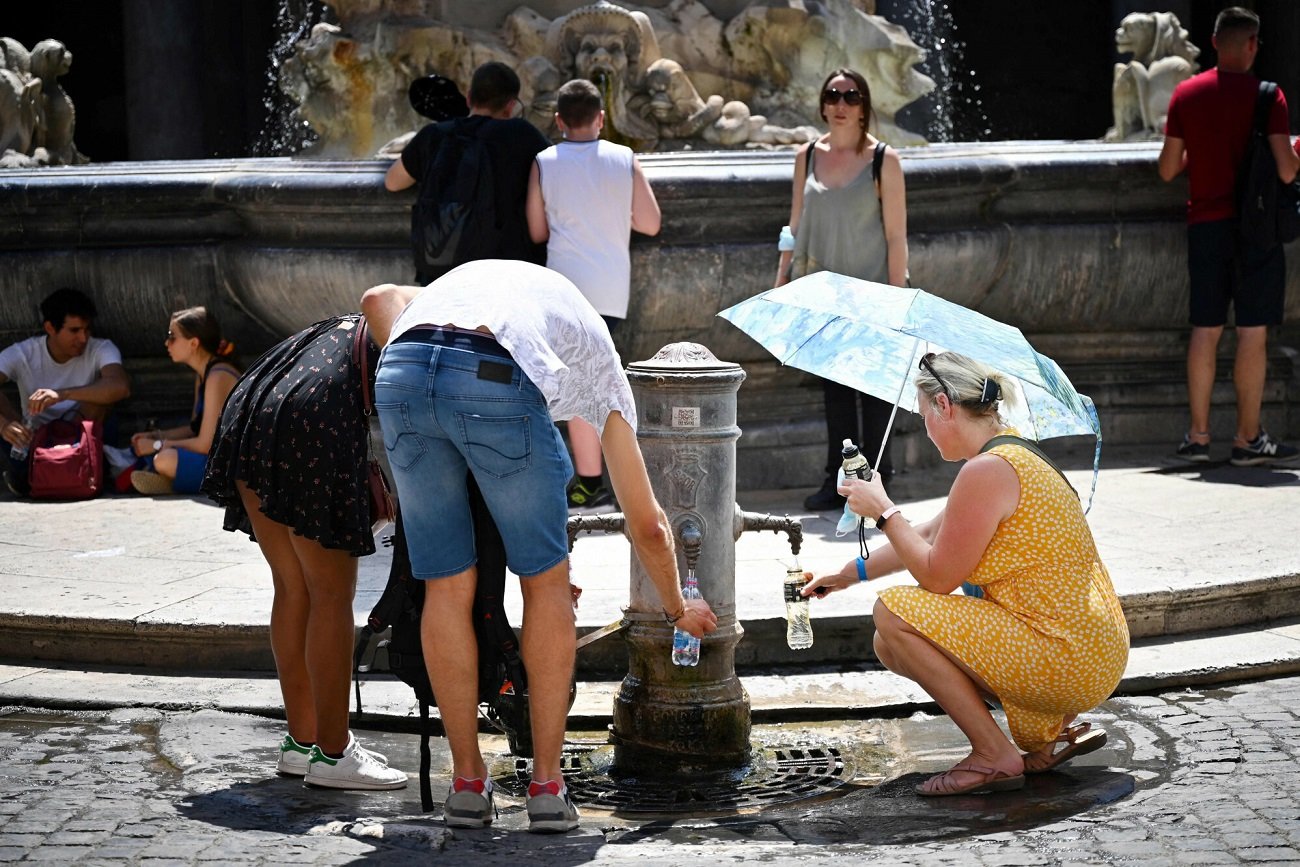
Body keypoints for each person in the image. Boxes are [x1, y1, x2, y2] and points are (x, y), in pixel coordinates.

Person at [361, 261, 718, 833]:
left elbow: (377, 297)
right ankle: (548, 788)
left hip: (400, 372)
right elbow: (647, 523)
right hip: (492, 372)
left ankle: (469, 786)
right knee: (546, 584)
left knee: (445, 586)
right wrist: (679, 608)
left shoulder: (468, 285)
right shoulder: (598, 353)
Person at [802, 351, 1129, 797]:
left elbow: (936, 577)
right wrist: (846, 573)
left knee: (893, 614)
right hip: (1091, 650)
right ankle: (1047, 736)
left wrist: (882, 510)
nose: (925, 427)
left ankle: (994, 755)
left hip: (1066, 655)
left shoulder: (987, 470)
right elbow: (932, 533)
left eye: (923, 415)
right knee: (890, 643)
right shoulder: (1010, 451)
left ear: (945, 407)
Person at [201, 314, 407, 791]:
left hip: (251, 411)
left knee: (293, 587)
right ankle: (334, 754)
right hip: (311, 422)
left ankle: (302, 742)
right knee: (331, 596)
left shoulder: (351, 320)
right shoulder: (438, 324)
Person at [1158, 7, 1300, 467]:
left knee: (1206, 329)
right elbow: (1285, 169)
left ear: (1215, 42)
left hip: (1206, 226)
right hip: (1257, 230)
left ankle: (1198, 437)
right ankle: (1247, 439)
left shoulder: (1186, 94)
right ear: (1254, 44)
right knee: (1252, 334)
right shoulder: (1269, 96)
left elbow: (1166, 169)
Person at [774, 68, 909, 511]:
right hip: (820, 294)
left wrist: (897, 300)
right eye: (832, 96)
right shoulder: (806, 155)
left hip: (871, 294)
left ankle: (877, 483)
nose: (840, 104)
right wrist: (781, 282)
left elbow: (896, 237)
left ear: (864, 105)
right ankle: (839, 484)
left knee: (872, 395)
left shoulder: (883, 160)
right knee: (834, 395)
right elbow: (793, 226)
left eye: (851, 96)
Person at [525, 78, 662, 510]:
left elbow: (536, 231)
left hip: (563, 290)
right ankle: (624, 481)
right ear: (602, 118)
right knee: (607, 384)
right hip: (609, 289)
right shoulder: (624, 158)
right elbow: (651, 223)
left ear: (559, 120)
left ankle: (588, 480)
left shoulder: (545, 161)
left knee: (574, 387)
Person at [385, 61, 550, 283]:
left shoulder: (433, 135)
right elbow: (558, 172)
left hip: (440, 273)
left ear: (469, 97)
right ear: (511, 106)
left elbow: (392, 183)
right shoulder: (522, 135)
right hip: (501, 272)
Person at [0, 288, 130, 495]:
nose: (83, 338)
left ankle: (82, 468)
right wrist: (4, 425)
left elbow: (120, 387)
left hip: (82, 438)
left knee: (101, 398)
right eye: (74, 330)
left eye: (87, 330)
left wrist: (62, 394)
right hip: (36, 440)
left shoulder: (101, 348)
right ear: (50, 328)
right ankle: (27, 473)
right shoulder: (24, 353)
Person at [126, 307, 239, 496]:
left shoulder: (218, 376)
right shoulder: (204, 375)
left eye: (172, 336)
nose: (166, 343)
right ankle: (173, 478)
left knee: (164, 459)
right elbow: (195, 428)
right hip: (217, 458)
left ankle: (172, 479)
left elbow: (205, 444)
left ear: (193, 343)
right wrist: (155, 435)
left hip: (232, 467)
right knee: (162, 457)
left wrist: (158, 445)